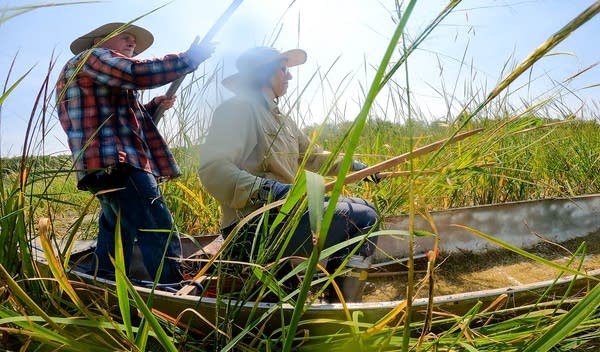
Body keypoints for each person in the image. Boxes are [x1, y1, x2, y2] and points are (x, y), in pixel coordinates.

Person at [198, 46, 379, 301]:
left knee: (362, 205)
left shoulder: (283, 120)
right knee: (364, 217)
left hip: (287, 215)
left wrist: (356, 166)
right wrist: (271, 190)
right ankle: (343, 303)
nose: (289, 77)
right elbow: (213, 169)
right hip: (255, 224)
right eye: (283, 69)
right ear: (264, 73)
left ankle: (323, 290)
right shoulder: (237, 110)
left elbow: (314, 157)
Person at [56, 22, 215, 284]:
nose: (132, 43)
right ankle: (171, 289)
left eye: (134, 40)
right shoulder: (93, 57)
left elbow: (121, 117)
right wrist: (189, 59)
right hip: (117, 162)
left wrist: (153, 106)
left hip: (101, 166)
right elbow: (134, 72)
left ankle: (100, 278)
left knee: (116, 229)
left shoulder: (95, 72)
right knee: (157, 227)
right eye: (125, 38)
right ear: (99, 40)